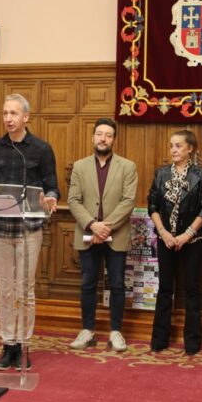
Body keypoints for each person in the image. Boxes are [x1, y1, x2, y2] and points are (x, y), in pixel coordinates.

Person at [0, 93, 59, 371]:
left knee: (24, 289)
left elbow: (51, 185)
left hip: (29, 229)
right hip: (1, 229)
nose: (9, 118)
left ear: (26, 116)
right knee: (5, 289)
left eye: (14, 113)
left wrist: (50, 198)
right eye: (5, 113)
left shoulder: (41, 149)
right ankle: (7, 344)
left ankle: (23, 345)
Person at [67, 118, 138, 352]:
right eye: (99, 134)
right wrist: (92, 225)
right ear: (93, 137)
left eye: (108, 135)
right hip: (87, 235)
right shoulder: (79, 166)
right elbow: (73, 200)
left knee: (117, 284)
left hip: (116, 236)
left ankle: (116, 332)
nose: (103, 138)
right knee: (88, 283)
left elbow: (128, 201)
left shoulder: (127, 166)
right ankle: (87, 330)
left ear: (114, 139)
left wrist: (105, 227)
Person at [147, 130, 202, 355]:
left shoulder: (201, 175)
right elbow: (153, 206)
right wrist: (163, 232)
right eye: (171, 146)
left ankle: (192, 343)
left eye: (178, 146)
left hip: (192, 240)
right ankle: (159, 340)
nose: (174, 150)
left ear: (190, 149)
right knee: (165, 288)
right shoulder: (161, 174)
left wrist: (186, 235)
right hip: (166, 239)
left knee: (192, 290)